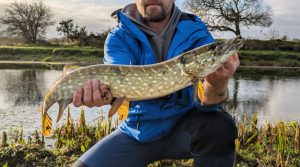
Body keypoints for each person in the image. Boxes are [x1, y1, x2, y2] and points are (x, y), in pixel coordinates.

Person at [72, 0, 239, 166]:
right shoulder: (118, 37)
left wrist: (218, 82)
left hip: (186, 130)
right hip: (137, 132)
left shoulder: (197, 33)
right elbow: (115, 87)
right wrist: (104, 95)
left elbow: (208, 105)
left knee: (219, 126)